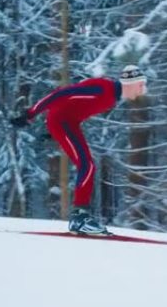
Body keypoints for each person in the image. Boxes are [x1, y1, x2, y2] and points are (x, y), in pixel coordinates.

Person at [10, 65, 147, 235]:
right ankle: (79, 218)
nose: (143, 90)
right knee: (87, 165)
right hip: (62, 122)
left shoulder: (111, 97)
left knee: (88, 165)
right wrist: (30, 114)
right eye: (141, 85)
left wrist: (54, 134)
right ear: (129, 83)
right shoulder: (103, 89)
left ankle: (81, 217)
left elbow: (77, 107)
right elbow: (60, 95)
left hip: (67, 123)